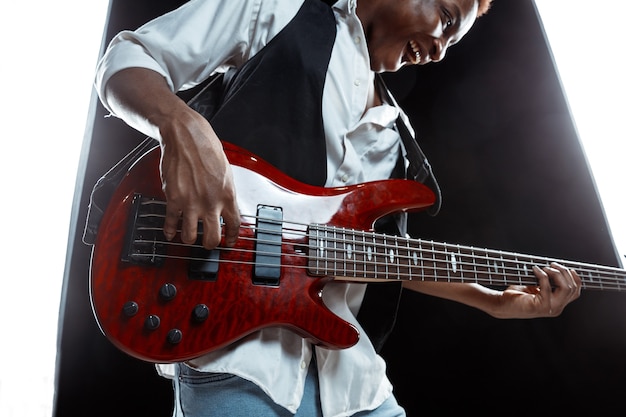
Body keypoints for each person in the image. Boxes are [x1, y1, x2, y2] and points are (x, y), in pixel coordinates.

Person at [94, 0, 582, 415]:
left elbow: (382, 255)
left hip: (356, 387)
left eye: (451, 44)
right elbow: (128, 58)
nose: (439, 49)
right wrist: (181, 125)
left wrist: (493, 301)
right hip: (235, 360)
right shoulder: (281, 12)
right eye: (447, 20)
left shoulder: (397, 137)